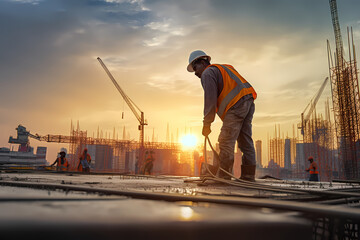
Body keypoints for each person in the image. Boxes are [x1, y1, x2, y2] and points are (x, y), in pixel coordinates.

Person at [187, 50, 257, 181]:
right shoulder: (224, 68)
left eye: (195, 68)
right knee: (245, 140)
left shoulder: (207, 74)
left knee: (225, 141)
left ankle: (224, 175)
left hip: (236, 104)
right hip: (248, 101)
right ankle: (249, 175)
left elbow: (210, 101)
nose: (195, 73)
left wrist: (206, 123)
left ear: (202, 62)